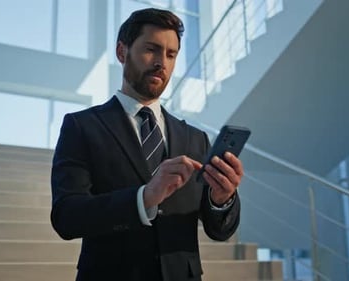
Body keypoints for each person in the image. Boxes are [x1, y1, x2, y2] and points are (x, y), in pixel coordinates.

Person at [50, 8, 243, 281]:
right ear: (121, 52)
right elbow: (66, 217)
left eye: (171, 54)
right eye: (151, 49)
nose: (161, 63)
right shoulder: (82, 127)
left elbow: (219, 230)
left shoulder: (195, 139)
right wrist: (144, 198)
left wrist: (222, 200)